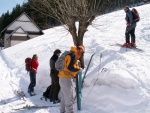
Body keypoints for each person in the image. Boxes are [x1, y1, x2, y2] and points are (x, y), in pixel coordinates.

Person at [58, 45, 85, 113]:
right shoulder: (73, 55)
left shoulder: (70, 54)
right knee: (69, 97)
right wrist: (78, 69)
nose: (81, 54)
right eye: (82, 52)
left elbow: (68, 66)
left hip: (62, 77)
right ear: (80, 50)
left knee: (64, 96)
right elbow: (70, 67)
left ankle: (62, 111)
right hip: (66, 78)